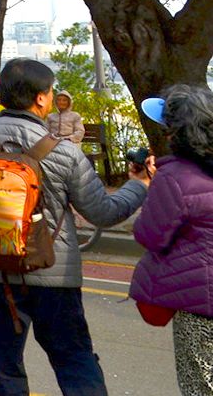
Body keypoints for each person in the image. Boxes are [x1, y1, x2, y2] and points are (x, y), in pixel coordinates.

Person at [0, 57, 149, 396]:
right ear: (41, 98)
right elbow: (103, 212)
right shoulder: (65, 152)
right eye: (51, 92)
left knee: (1, 365)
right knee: (74, 360)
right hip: (55, 271)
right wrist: (138, 186)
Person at [130, 86, 213, 396]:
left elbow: (151, 234)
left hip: (200, 308)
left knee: (200, 386)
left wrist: (147, 186)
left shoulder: (175, 176)